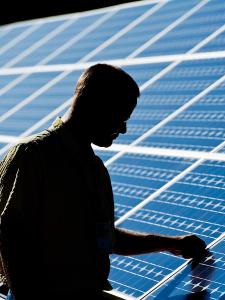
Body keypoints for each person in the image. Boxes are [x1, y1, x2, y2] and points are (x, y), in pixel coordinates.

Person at [0, 64, 207, 300]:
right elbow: (10, 233)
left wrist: (172, 243)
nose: (124, 128)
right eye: (121, 117)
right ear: (94, 105)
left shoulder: (95, 170)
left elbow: (104, 237)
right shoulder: (31, 154)